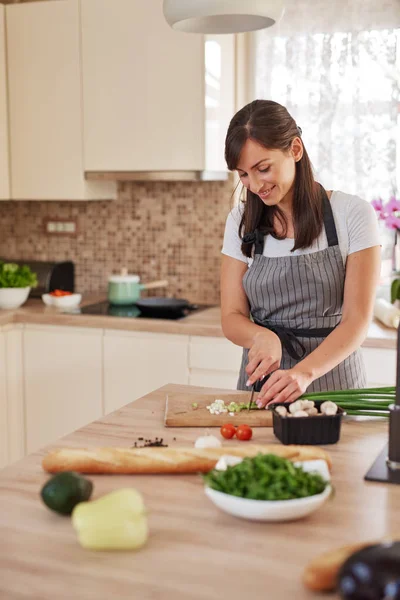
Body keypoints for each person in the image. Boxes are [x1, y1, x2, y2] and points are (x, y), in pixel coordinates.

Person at [220, 99, 381, 408]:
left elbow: (356, 321)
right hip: (264, 389)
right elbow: (231, 317)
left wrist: (303, 373)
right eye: (243, 175)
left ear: (295, 149)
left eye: (262, 169)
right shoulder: (240, 221)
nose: (254, 186)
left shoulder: (352, 214)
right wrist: (260, 337)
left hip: (335, 387)